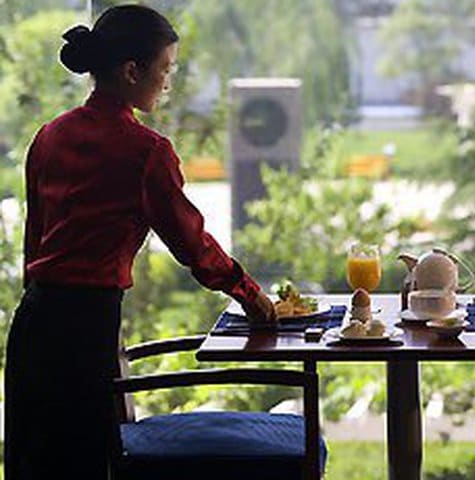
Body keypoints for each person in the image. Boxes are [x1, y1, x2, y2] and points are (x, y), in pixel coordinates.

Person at [4, 5, 277, 479]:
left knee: (36, 465)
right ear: (133, 71)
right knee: (84, 464)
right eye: (165, 69)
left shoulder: (49, 136)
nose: (168, 83)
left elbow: (37, 237)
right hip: (85, 331)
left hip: (32, 326)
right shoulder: (146, 152)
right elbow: (192, 244)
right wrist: (250, 295)